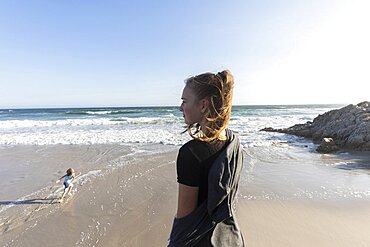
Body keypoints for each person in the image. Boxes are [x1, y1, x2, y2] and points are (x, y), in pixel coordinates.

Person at [168, 70, 245, 246]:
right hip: (229, 238)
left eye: (184, 101)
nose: (181, 107)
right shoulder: (234, 142)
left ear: (203, 105)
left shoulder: (191, 154)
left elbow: (184, 222)